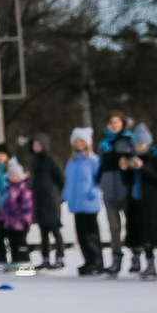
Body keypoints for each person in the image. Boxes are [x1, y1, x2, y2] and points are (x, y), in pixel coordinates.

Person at [126, 127, 157, 280]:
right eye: (137, 144)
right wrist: (125, 169)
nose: (139, 147)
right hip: (137, 201)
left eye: (142, 144)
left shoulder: (156, 157)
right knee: (143, 234)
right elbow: (127, 181)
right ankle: (150, 263)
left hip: (155, 202)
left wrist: (143, 167)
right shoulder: (132, 159)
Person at [95, 113, 133, 276]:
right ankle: (116, 257)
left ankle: (137, 254)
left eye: (117, 122)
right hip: (109, 189)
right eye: (111, 122)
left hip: (126, 189)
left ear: (123, 124)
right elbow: (101, 165)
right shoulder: (104, 143)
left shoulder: (129, 140)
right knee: (114, 227)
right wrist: (99, 182)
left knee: (132, 224)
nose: (114, 125)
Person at [63, 130, 105, 275]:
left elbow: (100, 180)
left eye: (81, 141)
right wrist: (66, 195)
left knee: (91, 233)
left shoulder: (93, 160)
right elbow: (69, 181)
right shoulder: (72, 162)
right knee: (81, 235)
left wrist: (94, 193)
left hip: (89, 203)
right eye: (76, 141)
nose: (79, 144)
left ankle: (97, 261)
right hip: (76, 203)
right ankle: (88, 260)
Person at [27, 135, 67, 270]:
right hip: (38, 199)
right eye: (35, 144)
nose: (36, 147)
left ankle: (60, 256)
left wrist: (57, 194)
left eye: (39, 144)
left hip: (50, 199)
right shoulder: (34, 161)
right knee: (43, 231)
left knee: (55, 228)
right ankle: (45, 258)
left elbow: (60, 178)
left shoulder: (50, 160)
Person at [0, 161, 36, 275]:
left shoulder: (23, 190)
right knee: (12, 241)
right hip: (9, 222)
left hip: (20, 222)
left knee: (20, 242)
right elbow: (5, 205)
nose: (14, 177)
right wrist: (2, 216)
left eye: (16, 175)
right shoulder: (8, 189)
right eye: (12, 175)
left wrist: (25, 218)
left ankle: (24, 259)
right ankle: (15, 260)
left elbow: (26, 205)